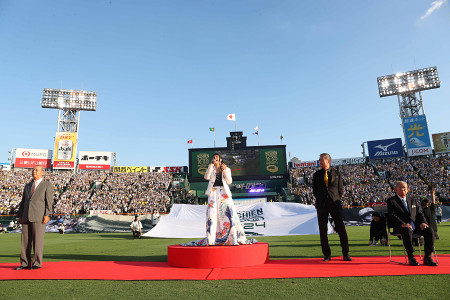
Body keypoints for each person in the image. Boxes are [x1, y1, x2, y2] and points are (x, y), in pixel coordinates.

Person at [182, 153, 255, 246]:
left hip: (224, 193)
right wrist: (211, 165)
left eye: (217, 158)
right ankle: (211, 239)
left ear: (220, 159)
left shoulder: (226, 169)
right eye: (214, 158)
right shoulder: (211, 168)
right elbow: (206, 177)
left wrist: (224, 171)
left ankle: (232, 238)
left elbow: (229, 181)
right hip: (213, 193)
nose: (215, 159)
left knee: (228, 213)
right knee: (212, 215)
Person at [386, 181, 437, 266]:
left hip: (415, 226)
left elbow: (419, 213)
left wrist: (423, 222)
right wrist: (403, 223)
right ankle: (411, 257)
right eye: (400, 187)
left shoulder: (413, 200)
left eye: (404, 187)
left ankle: (427, 257)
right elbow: (392, 215)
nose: (403, 189)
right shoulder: (391, 201)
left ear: (408, 189)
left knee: (429, 230)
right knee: (407, 230)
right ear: (395, 189)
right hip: (401, 227)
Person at [312, 153, 351, 261]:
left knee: (341, 228)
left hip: (335, 204)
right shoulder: (316, 174)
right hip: (321, 205)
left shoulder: (337, 173)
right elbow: (315, 191)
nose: (319, 162)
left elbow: (340, 190)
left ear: (328, 161)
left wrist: (333, 198)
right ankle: (326, 255)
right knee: (323, 230)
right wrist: (322, 199)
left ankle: (346, 254)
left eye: (321, 160)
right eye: (319, 160)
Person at [16, 165, 54, 270]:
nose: (34, 172)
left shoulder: (47, 185)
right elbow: (23, 202)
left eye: (37, 170)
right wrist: (20, 215)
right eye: (33, 170)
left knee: (37, 241)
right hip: (25, 216)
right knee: (25, 242)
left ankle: (37, 263)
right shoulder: (28, 185)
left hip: (39, 216)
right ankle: (24, 263)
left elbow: (49, 202)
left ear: (43, 172)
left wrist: (47, 214)